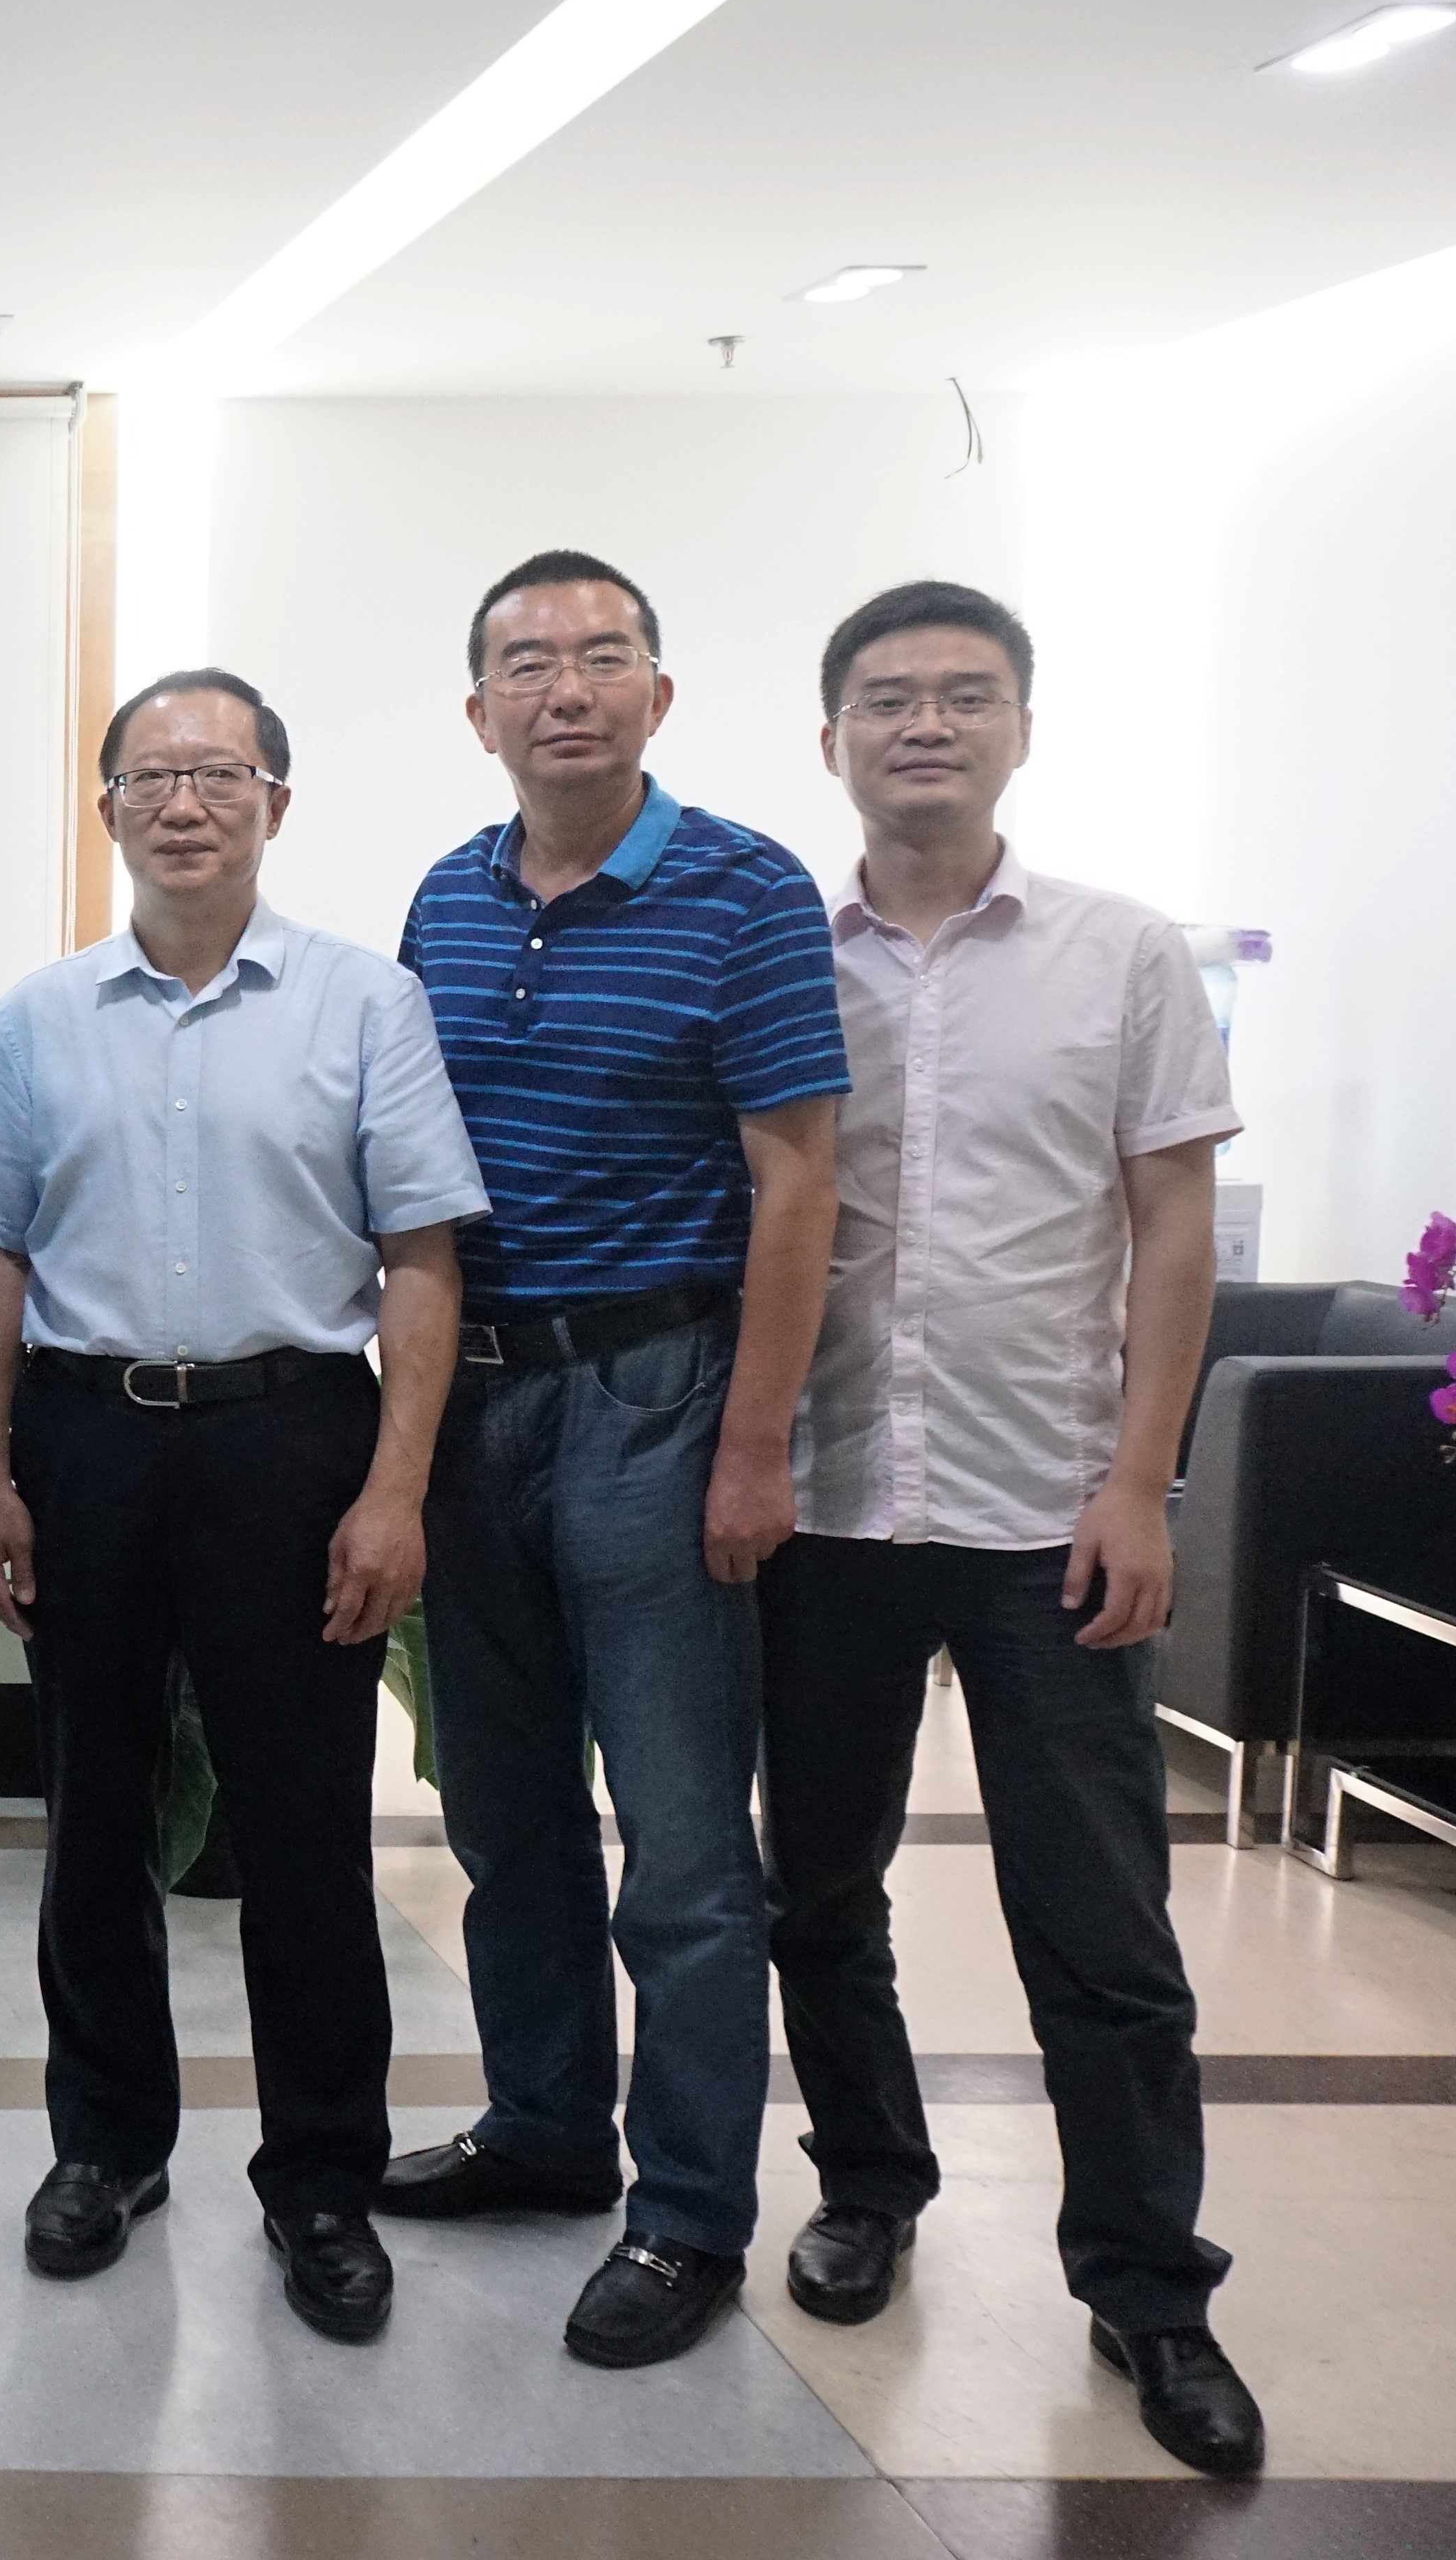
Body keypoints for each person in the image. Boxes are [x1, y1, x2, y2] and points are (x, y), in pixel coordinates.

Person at [762, 581, 1262, 2473]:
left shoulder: (1122, 955)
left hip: (1048, 1512)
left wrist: (1141, 1482)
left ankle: (1148, 2286)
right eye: (888, 699)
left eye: (966, 697)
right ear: (831, 739)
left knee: (1102, 1926)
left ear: (1023, 731)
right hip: (827, 1505)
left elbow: (1174, 1225)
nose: (926, 727)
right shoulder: (777, 953)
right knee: (821, 1889)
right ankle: (868, 2184)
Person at [0, 672, 480, 2345]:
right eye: (152, 775)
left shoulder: (365, 1001)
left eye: (220, 772)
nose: (184, 801)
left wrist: (394, 1486)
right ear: (108, 804)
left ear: (276, 800)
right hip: (87, 1434)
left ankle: (321, 2177)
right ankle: (106, 2147)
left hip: (292, 1435)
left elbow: (421, 1257)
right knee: (93, 1814)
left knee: (304, 1827)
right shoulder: (40, 1017)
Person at [381, 551, 850, 2368]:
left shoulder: (746, 888)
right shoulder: (449, 895)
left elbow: (797, 1182)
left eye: (601, 657)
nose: (563, 689)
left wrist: (754, 1446)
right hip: (476, 1401)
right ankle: (546, 2129)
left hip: (660, 1393)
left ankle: (690, 2215)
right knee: (504, 1818)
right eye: (526, 663)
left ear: (659, 693)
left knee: (681, 1845)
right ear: (478, 709)